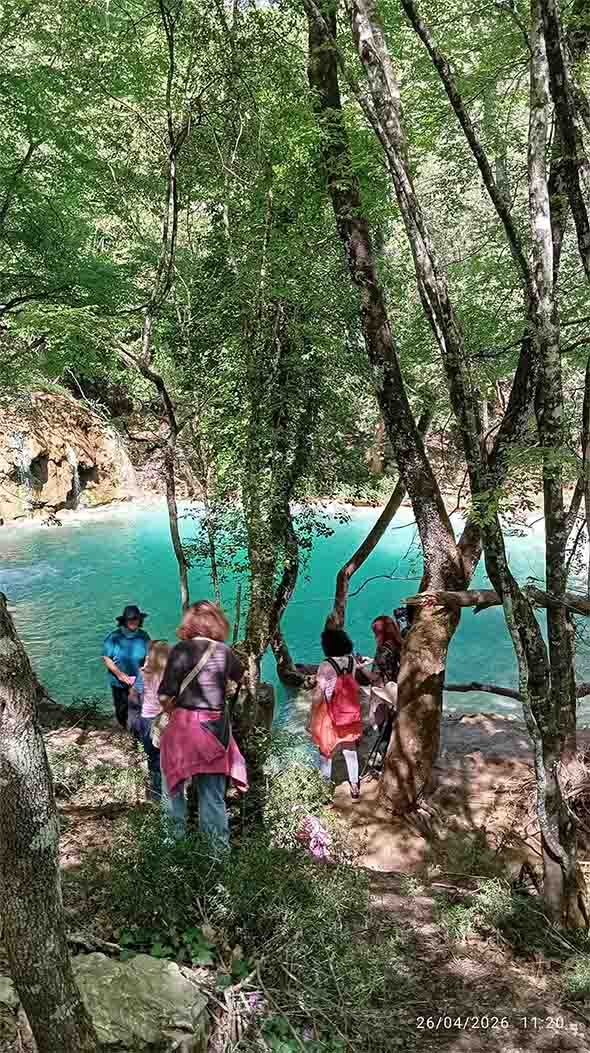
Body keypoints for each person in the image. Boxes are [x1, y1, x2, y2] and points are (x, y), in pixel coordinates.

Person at [158, 600, 247, 849]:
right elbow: (241, 678)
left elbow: (164, 696)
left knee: (173, 788)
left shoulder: (180, 650)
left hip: (183, 729)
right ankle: (217, 855)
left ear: (190, 623)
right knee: (213, 796)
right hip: (214, 731)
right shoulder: (224, 652)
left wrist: (175, 712)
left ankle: (174, 849)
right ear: (217, 622)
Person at [311, 627, 363, 801]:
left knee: (326, 753)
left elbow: (319, 694)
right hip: (349, 712)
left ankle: (325, 792)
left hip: (329, 715)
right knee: (350, 749)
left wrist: (311, 716)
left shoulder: (325, 665)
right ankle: (354, 786)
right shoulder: (351, 661)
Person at [129, 640, 170, 802]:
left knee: (153, 758)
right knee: (167, 758)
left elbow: (133, 698)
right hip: (163, 721)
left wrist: (133, 724)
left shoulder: (143, 673)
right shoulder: (171, 675)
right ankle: (168, 795)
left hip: (146, 721)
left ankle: (155, 796)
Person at [102, 605, 150, 728]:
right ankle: (124, 728)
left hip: (138, 681)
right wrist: (120, 675)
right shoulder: (114, 637)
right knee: (121, 709)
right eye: (130, 619)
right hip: (119, 681)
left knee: (139, 708)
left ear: (140, 620)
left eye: (136, 619)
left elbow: (148, 655)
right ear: (124, 621)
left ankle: (137, 732)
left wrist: (146, 667)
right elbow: (106, 658)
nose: (134, 621)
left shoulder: (143, 636)